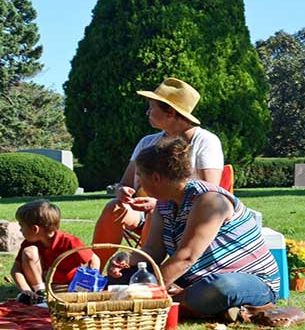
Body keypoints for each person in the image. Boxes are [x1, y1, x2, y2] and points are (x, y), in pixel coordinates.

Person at [107, 138, 278, 321]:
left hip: (248, 280)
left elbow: (186, 257)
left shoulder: (209, 200)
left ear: (156, 178)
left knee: (219, 288)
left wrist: (151, 291)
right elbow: (153, 251)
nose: (138, 182)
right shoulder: (163, 204)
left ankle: (171, 302)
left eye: (140, 175)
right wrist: (127, 259)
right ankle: (196, 305)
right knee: (122, 279)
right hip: (194, 281)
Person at [92, 77, 224, 262]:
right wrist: (122, 191)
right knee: (114, 208)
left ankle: (144, 270)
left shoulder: (205, 141)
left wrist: (159, 204)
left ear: (170, 112)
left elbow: (209, 193)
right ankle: (93, 271)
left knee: (157, 213)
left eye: (152, 107)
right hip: (142, 213)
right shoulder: (147, 142)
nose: (147, 112)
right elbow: (125, 182)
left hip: (184, 216)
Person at [10, 200, 100, 305]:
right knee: (30, 252)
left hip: (67, 287)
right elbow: (16, 270)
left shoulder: (69, 242)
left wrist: (88, 286)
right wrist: (26, 290)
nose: (21, 230)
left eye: (22, 226)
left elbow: (94, 259)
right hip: (44, 286)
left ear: (35, 229)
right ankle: (40, 293)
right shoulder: (29, 244)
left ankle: (50, 298)